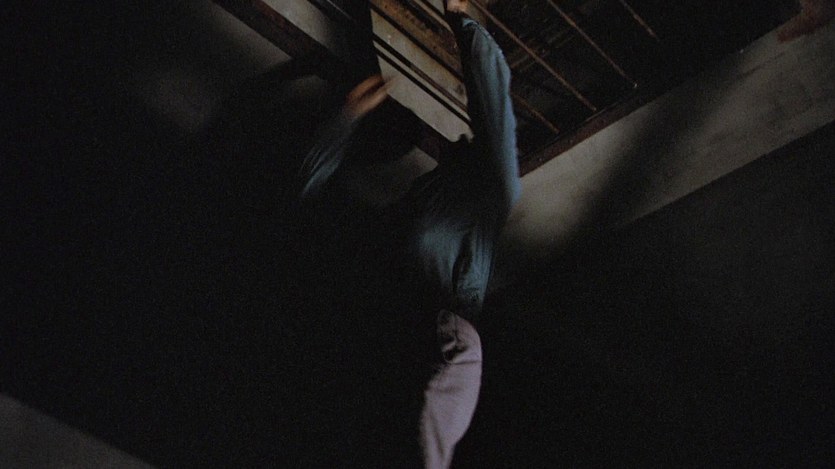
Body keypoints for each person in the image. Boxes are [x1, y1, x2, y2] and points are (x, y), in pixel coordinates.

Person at [292, 1, 521, 466]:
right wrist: (347, 118)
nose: (453, 143)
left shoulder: (475, 203)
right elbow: (307, 203)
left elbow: (495, 118)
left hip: (404, 337)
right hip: (407, 335)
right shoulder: (438, 219)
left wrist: (461, 18)